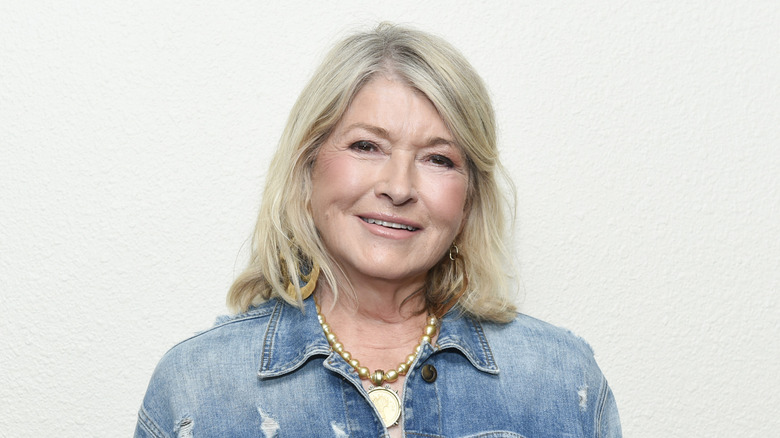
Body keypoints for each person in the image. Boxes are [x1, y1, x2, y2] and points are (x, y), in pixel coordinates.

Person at [135, 23, 621, 438]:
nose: (398, 186)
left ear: (469, 196)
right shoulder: (197, 388)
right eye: (367, 146)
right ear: (307, 170)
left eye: (438, 158)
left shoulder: (561, 380)